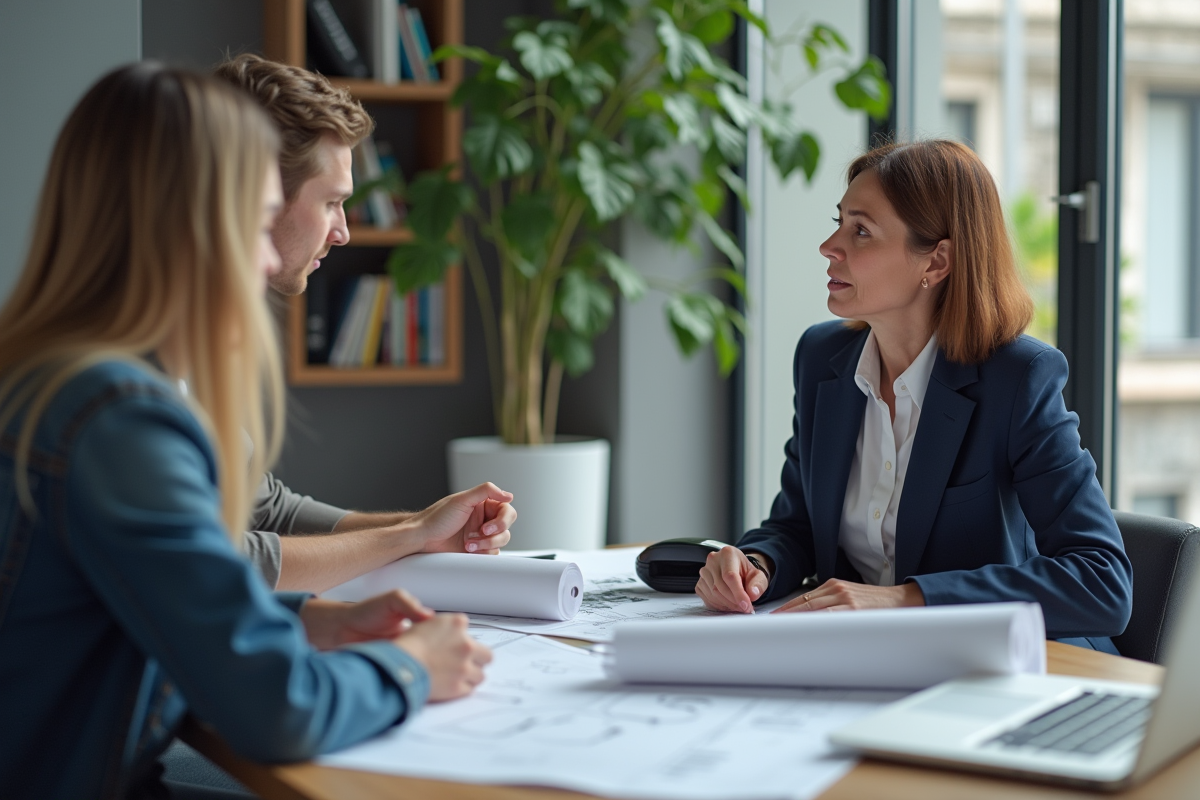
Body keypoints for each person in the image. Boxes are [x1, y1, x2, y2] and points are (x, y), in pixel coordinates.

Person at [0, 63, 491, 799]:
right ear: (192, 225)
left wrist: (314, 622)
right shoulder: (117, 418)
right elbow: (278, 710)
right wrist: (415, 664)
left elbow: (157, 586)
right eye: (259, 221)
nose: (267, 257)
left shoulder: (52, 376)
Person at [695, 140, 1133, 653]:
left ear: (938, 261)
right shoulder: (821, 359)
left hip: (1009, 669)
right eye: (839, 223)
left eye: (861, 231)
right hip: (869, 660)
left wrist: (906, 599)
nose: (829, 246)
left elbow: (1102, 582)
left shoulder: (1019, 378)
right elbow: (796, 525)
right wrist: (756, 564)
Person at [209, 53, 516, 595]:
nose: (344, 231)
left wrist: (421, 529)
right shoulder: (140, 354)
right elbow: (210, 560)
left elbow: (263, 509)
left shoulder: (207, 330)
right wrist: (409, 535)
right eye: (331, 203)